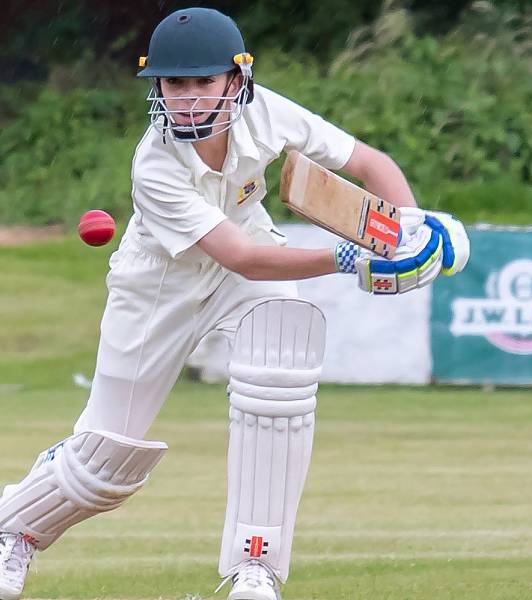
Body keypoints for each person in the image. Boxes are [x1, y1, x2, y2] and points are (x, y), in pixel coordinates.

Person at [0, 8, 469, 600]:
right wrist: (348, 259)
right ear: (158, 89)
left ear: (235, 79)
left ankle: (256, 569)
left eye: (203, 82)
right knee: (103, 463)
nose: (190, 99)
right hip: (160, 283)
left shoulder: (266, 112)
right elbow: (238, 256)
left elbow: (370, 165)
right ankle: (10, 530)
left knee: (282, 363)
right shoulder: (155, 164)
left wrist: (412, 227)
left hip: (249, 256)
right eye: (176, 84)